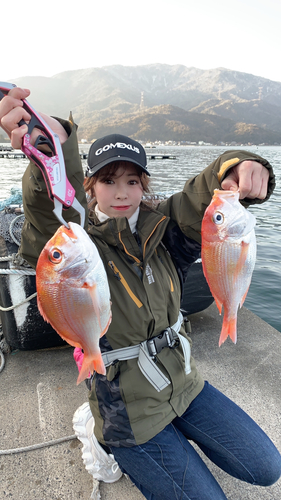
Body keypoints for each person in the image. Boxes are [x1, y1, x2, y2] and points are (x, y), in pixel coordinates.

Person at [1, 87, 280, 500]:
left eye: (132, 180)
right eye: (108, 181)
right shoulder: (79, 242)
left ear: (143, 185)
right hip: (126, 408)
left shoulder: (162, 226)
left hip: (184, 383)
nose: (121, 192)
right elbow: (47, 216)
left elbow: (199, 197)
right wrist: (54, 151)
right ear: (90, 186)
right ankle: (97, 431)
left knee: (267, 468)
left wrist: (238, 165)